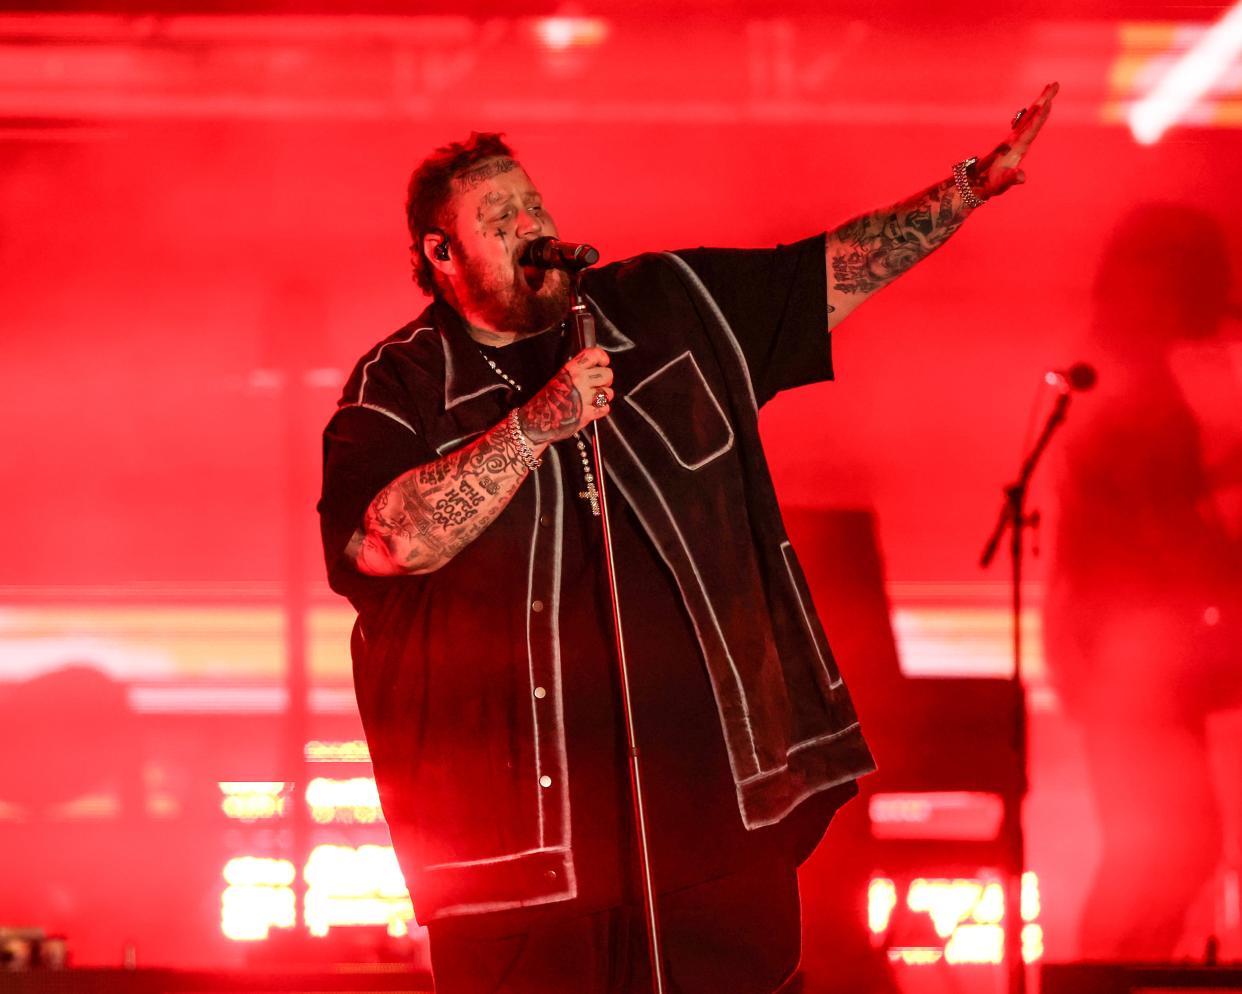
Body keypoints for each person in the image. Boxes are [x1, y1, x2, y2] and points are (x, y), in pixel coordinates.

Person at [318, 84, 1057, 994]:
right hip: (516, 854)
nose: (532, 222)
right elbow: (385, 545)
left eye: (535, 203)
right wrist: (533, 425)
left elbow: (827, 275)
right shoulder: (397, 386)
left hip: (712, 819)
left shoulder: (665, 306)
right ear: (442, 252)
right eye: (501, 215)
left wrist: (967, 190)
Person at [1043, 203, 1242, 960]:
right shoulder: (1136, 388)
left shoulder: (1123, 373)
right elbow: (1162, 532)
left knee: (1168, 852)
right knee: (1169, 851)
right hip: (1135, 656)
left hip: (1128, 652)